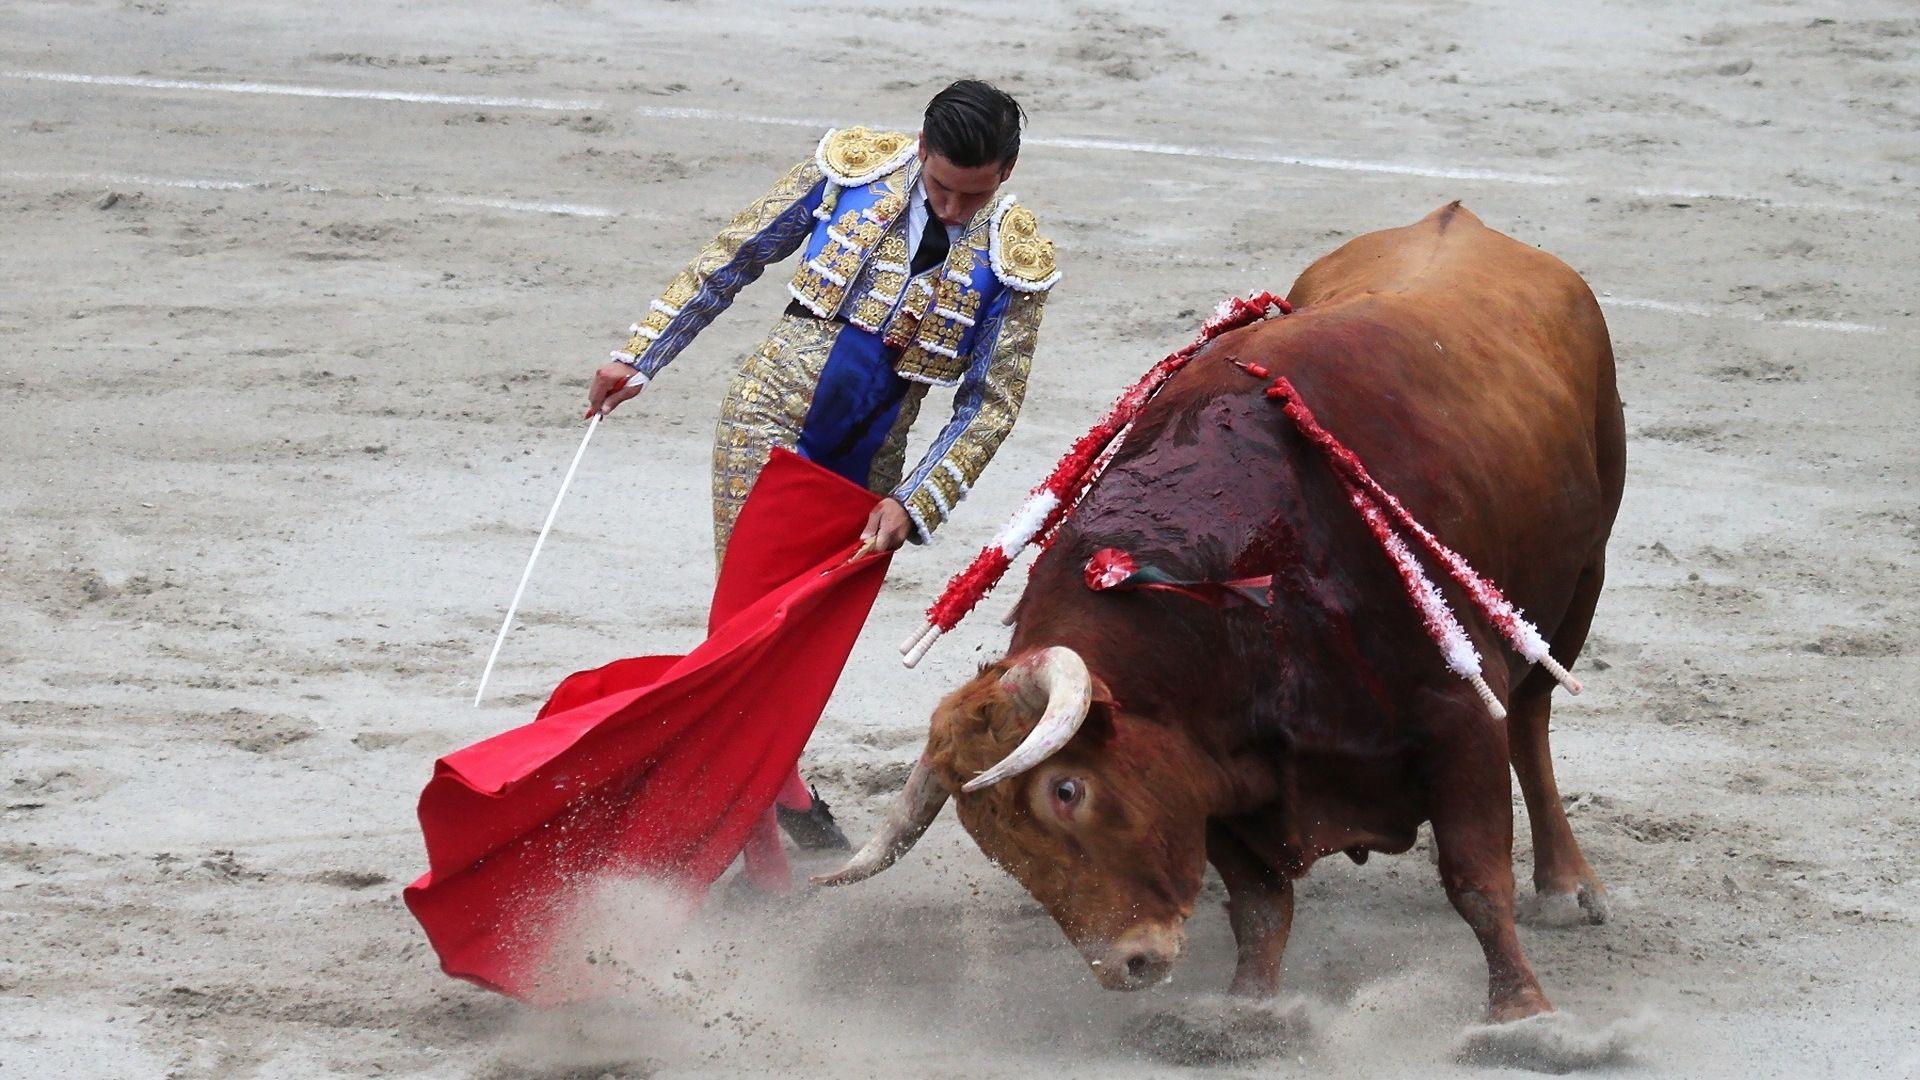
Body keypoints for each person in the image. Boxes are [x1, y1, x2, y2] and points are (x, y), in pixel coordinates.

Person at [583, 79, 1058, 852]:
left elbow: (989, 405)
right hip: (768, 414)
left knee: (794, 647)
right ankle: (777, 823)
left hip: (873, 463)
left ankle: (770, 806)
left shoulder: (1015, 257)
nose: (949, 209)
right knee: (741, 633)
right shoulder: (855, 170)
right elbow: (733, 257)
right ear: (921, 149)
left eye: (971, 196)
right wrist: (641, 355)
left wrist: (916, 498)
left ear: (1004, 173)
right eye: (939, 186)